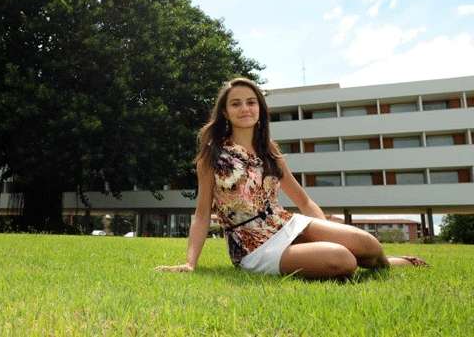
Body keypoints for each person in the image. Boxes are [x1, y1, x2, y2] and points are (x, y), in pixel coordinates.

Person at [155, 77, 428, 278]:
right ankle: (351, 260)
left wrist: (331, 233)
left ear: (260, 109)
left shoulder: (269, 150)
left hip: (286, 223)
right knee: (342, 261)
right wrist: (191, 263)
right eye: (236, 104)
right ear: (225, 112)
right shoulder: (212, 156)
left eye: (251, 102)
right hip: (253, 245)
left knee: (367, 243)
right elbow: (202, 214)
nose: (245, 108)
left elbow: (303, 200)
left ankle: (386, 263)